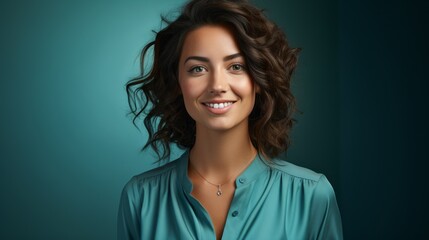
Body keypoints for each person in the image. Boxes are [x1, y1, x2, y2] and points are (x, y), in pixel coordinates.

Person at [118, 0, 343, 239]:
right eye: (197, 69)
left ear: (259, 79)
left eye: (236, 66)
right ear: (178, 82)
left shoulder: (311, 195)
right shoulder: (141, 198)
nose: (217, 85)